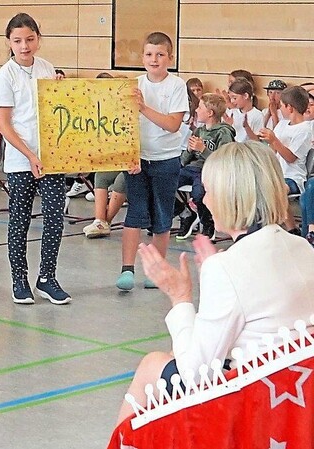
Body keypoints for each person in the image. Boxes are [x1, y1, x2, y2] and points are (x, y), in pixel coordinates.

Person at [116, 141, 314, 425]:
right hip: (298, 392)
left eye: (208, 191)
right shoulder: (302, 247)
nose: (203, 201)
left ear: (229, 196)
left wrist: (180, 297)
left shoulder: (227, 267)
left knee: (153, 365)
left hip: (256, 400)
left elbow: (195, 373)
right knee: (173, 354)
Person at [0, 13, 71, 305]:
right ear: (9, 43)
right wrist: (29, 155)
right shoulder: (4, 76)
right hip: (20, 159)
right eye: (17, 40)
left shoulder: (47, 68)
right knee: (20, 219)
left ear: (38, 39)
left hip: (51, 157)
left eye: (29, 39)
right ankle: (19, 279)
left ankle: (47, 278)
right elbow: (4, 124)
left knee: (54, 217)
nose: (24, 46)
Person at [115, 32, 189, 292]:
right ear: (142, 57)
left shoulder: (177, 86)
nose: (154, 59)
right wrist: (128, 155)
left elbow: (172, 124)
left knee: (162, 215)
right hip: (137, 160)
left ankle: (156, 270)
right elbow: (122, 125)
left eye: (160, 54)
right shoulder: (133, 84)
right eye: (148, 54)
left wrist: (144, 108)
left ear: (170, 57)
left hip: (166, 160)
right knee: (134, 213)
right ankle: (127, 269)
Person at [176, 93, 235, 240]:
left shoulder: (224, 133)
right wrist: (189, 150)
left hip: (208, 171)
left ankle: (207, 222)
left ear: (210, 113)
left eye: (200, 107)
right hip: (192, 168)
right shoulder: (199, 130)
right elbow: (184, 160)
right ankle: (184, 213)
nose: (196, 110)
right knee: (163, 184)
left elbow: (223, 161)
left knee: (199, 193)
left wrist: (203, 150)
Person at [258, 85, 313, 233]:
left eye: (281, 105)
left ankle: (291, 228)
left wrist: (274, 140)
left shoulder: (305, 130)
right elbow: (273, 151)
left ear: (290, 108)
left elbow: (290, 157)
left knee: (278, 189)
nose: (279, 108)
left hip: (294, 177)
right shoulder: (282, 125)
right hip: (277, 173)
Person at [226, 77, 263, 142]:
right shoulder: (232, 113)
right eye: (230, 98)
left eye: (234, 98)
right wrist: (228, 126)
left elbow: (257, 141)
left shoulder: (257, 115)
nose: (232, 101)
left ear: (246, 96)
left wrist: (246, 127)